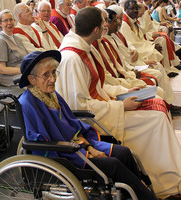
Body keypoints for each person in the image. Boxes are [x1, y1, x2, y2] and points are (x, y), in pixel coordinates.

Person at [56, 6, 181, 199]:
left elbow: (100, 85)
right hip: (93, 121)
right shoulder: (72, 57)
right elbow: (79, 107)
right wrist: (121, 105)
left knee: (157, 104)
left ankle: (169, 177)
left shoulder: (84, 48)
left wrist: (124, 93)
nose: (106, 26)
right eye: (103, 23)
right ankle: (164, 182)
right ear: (96, 30)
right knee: (155, 119)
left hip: (106, 107)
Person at [18, 50, 156, 200]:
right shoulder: (27, 104)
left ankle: (135, 195)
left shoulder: (52, 95)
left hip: (78, 146)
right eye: (46, 75)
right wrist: (86, 152)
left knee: (124, 152)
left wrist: (89, 147)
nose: (52, 79)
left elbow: (72, 125)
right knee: (114, 164)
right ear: (32, 79)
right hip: (63, 154)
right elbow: (38, 141)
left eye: (53, 72)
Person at [0, 10, 28, 86]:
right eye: (5, 21)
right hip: (10, 78)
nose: (9, 23)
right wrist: (24, 70)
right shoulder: (0, 41)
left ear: (14, 21)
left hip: (22, 72)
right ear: (0, 23)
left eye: (11, 20)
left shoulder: (17, 38)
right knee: (37, 80)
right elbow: (2, 70)